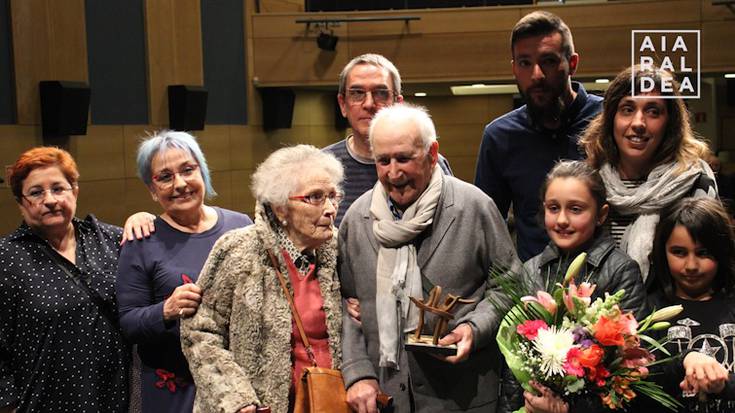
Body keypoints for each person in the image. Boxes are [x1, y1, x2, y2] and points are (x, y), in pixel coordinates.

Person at [339, 103, 521, 413]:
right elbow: (345, 303)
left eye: (404, 158)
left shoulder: (474, 207)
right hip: (385, 396)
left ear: (432, 153)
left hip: (464, 396)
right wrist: (357, 372)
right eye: (383, 161)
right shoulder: (358, 219)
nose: (393, 173)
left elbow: (511, 285)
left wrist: (474, 330)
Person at [180, 145, 344, 413]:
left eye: (332, 196)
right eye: (315, 197)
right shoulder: (237, 250)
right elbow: (200, 332)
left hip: (328, 402)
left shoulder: (339, 250)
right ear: (281, 209)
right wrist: (237, 399)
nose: (330, 209)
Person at [116, 131, 253, 413]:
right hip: (175, 391)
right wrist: (166, 309)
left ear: (202, 171)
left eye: (188, 170)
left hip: (239, 384)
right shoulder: (142, 240)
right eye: (165, 177)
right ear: (152, 190)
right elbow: (128, 322)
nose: (180, 184)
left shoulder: (241, 225)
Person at [499, 160, 646, 413]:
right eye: (553, 208)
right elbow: (514, 364)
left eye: (576, 209)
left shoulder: (620, 270)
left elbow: (631, 372)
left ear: (601, 215)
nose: (562, 220)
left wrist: (567, 408)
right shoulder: (531, 270)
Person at [0, 147, 129, 412]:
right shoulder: (6, 258)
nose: (50, 200)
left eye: (59, 188)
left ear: (75, 191)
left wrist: (145, 218)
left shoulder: (112, 240)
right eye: (36, 192)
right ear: (21, 202)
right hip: (45, 403)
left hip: (120, 399)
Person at [474, 10, 603, 261]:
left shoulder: (608, 119)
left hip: (609, 281)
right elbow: (487, 227)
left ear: (572, 64)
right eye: (524, 63)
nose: (536, 75)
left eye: (548, 61)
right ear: (514, 68)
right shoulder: (499, 136)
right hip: (532, 289)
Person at [580, 65, 717, 285]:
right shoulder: (589, 182)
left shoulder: (695, 180)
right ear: (611, 118)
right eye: (627, 109)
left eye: (653, 111)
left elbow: (710, 263)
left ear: (670, 122)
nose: (638, 123)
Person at [324, 53, 452, 227]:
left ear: (397, 103)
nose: (369, 104)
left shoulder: (430, 162)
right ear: (343, 105)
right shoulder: (321, 165)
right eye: (357, 93)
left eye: (381, 93)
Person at [637, 197, 735, 412]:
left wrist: (724, 383)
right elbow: (641, 381)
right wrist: (685, 359)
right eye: (679, 252)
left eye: (703, 253)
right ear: (662, 252)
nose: (691, 265)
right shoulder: (649, 312)